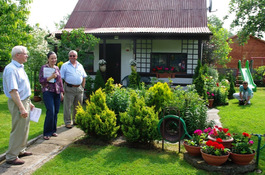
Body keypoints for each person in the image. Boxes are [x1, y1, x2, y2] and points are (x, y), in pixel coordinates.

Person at [3, 46, 34, 165]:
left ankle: (20, 150)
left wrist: (29, 102)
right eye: (25, 54)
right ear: (18, 55)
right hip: (18, 103)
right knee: (18, 129)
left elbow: (22, 88)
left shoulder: (20, 67)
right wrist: (21, 108)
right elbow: (13, 91)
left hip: (24, 100)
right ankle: (11, 156)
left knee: (24, 127)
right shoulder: (11, 69)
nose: (27, 56)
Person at [39, 51, 64, 140]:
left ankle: (53, 130)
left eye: (55, 58)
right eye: (52, 58)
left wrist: (61, 92)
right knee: (50, 111)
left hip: (56, 92)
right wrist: (50, 77)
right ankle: (46, 132)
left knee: (56, 111)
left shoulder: (57, 68)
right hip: (47, 92)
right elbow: (41, 80)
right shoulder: (44, 68)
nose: (54, 60)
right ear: (48, 59)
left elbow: (60, 81)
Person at [60, 50, 87, 128]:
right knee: (67, 106)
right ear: (69, 57)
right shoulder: (65, 65)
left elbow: (84, 76)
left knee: (78, 106)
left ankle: (76, 120)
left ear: (76, 57)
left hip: (79, 88)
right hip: (69, 88)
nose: (72, 57)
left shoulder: (80, 65)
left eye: (74, 56)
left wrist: (83, 86)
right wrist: (62, 89)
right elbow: (61, 78)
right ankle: (68, 122)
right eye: (70, 56)